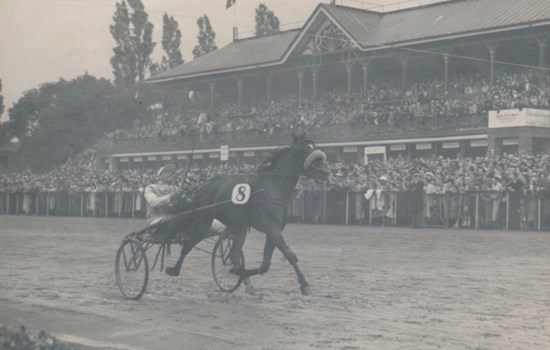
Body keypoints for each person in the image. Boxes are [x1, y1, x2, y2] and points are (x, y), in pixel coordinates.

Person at [144, 164, 226, 233]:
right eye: (168, 172)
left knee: (206, 219)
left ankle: (225, 228)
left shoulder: (176, 188)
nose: (172, 174)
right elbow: (153, 202)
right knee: (189, 219)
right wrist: (172, 196)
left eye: (172, 173)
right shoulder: (151, 187)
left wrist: (188, 195)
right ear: (160, 175)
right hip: (158, 218)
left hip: (177, 218)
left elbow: (183, 204)